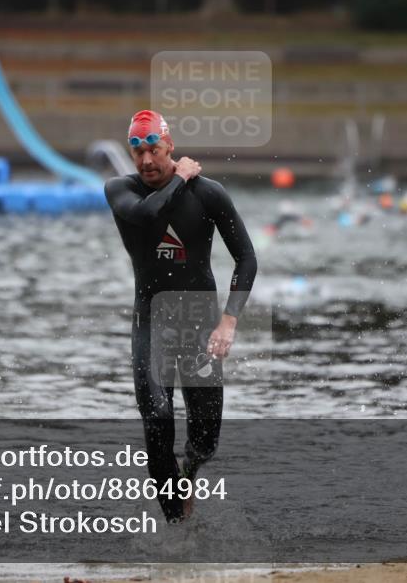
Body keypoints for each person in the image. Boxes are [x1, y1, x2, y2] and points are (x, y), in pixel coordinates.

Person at [104, 110, 257, 524]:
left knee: (205, 440)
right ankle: (177, 532)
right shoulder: (120, 189)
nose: (146, 162)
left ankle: (188, 475)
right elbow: (147, 215)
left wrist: (229, 321)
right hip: (151, 322)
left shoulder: (209, 194)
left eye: (154, 150)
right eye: (138, 153)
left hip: (201, 325)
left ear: (170, 146)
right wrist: (179, 178)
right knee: (156, 419)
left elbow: (246, 257)